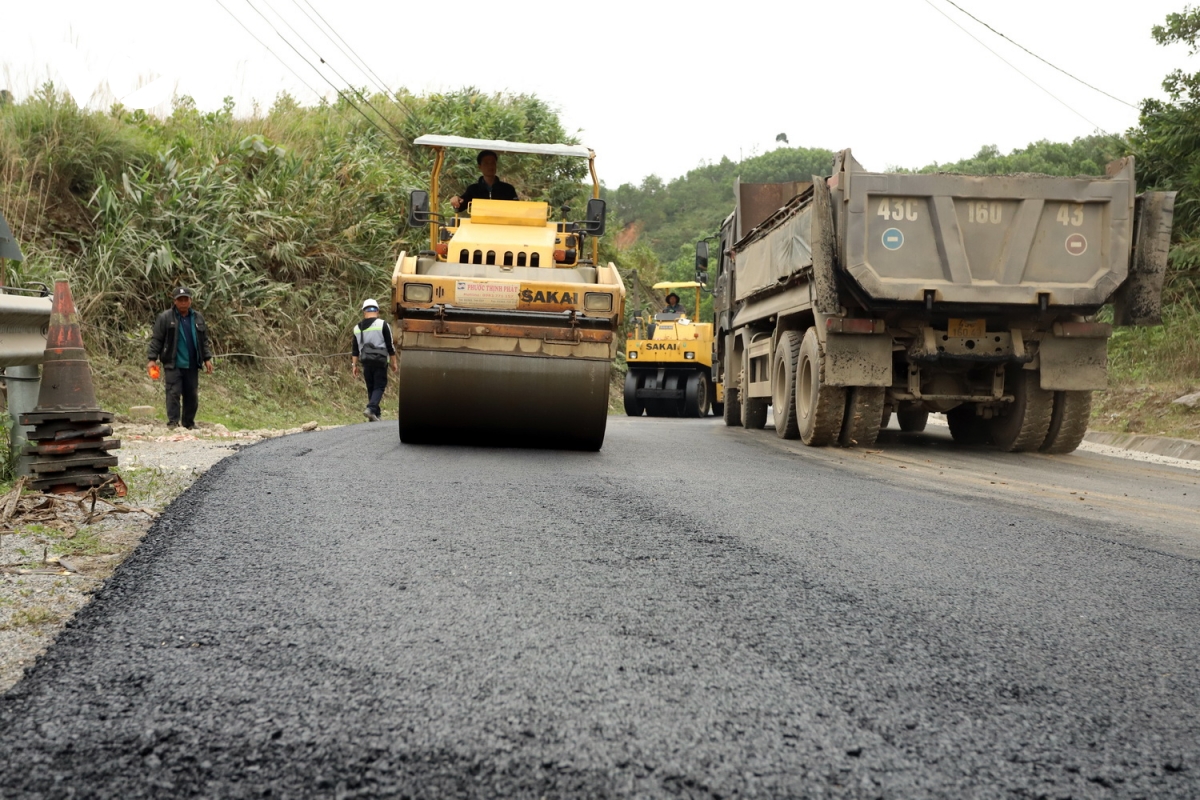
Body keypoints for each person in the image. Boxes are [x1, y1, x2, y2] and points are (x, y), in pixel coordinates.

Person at [147, 286, 214, 429]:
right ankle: (173, 422)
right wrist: (152, 359)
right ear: (175, 301)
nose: (183, 303)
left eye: (186, 300)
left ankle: (189, 423)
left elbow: (203, 341)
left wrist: (207, 358)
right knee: (173, 393)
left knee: (192, 395)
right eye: (180, 300)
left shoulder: (197, 318)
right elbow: (157, 339)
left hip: (192, 363)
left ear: (190, 301)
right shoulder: (165, 317)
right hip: (173, 363)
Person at [351, 298, 398, 421]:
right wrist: (394, 362)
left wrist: (354, 365)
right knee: (379, 386)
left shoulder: (357, 328)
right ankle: (371, 408)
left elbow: (355, 350)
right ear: (377, 311)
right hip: (380, 361)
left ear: (364, 312)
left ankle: (376, 415)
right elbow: (390, 345)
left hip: (366, 361)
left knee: (371, 387)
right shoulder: (383, 324)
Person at [449, 150, 518, 212]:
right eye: (486, 163)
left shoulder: (508, 189)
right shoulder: (473, 189)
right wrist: (455, 200)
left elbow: (517, 208)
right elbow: (460, 207)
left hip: (503, 224)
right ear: (480, 167)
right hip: (479, 225)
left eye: (492, 163)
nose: (490, 166)